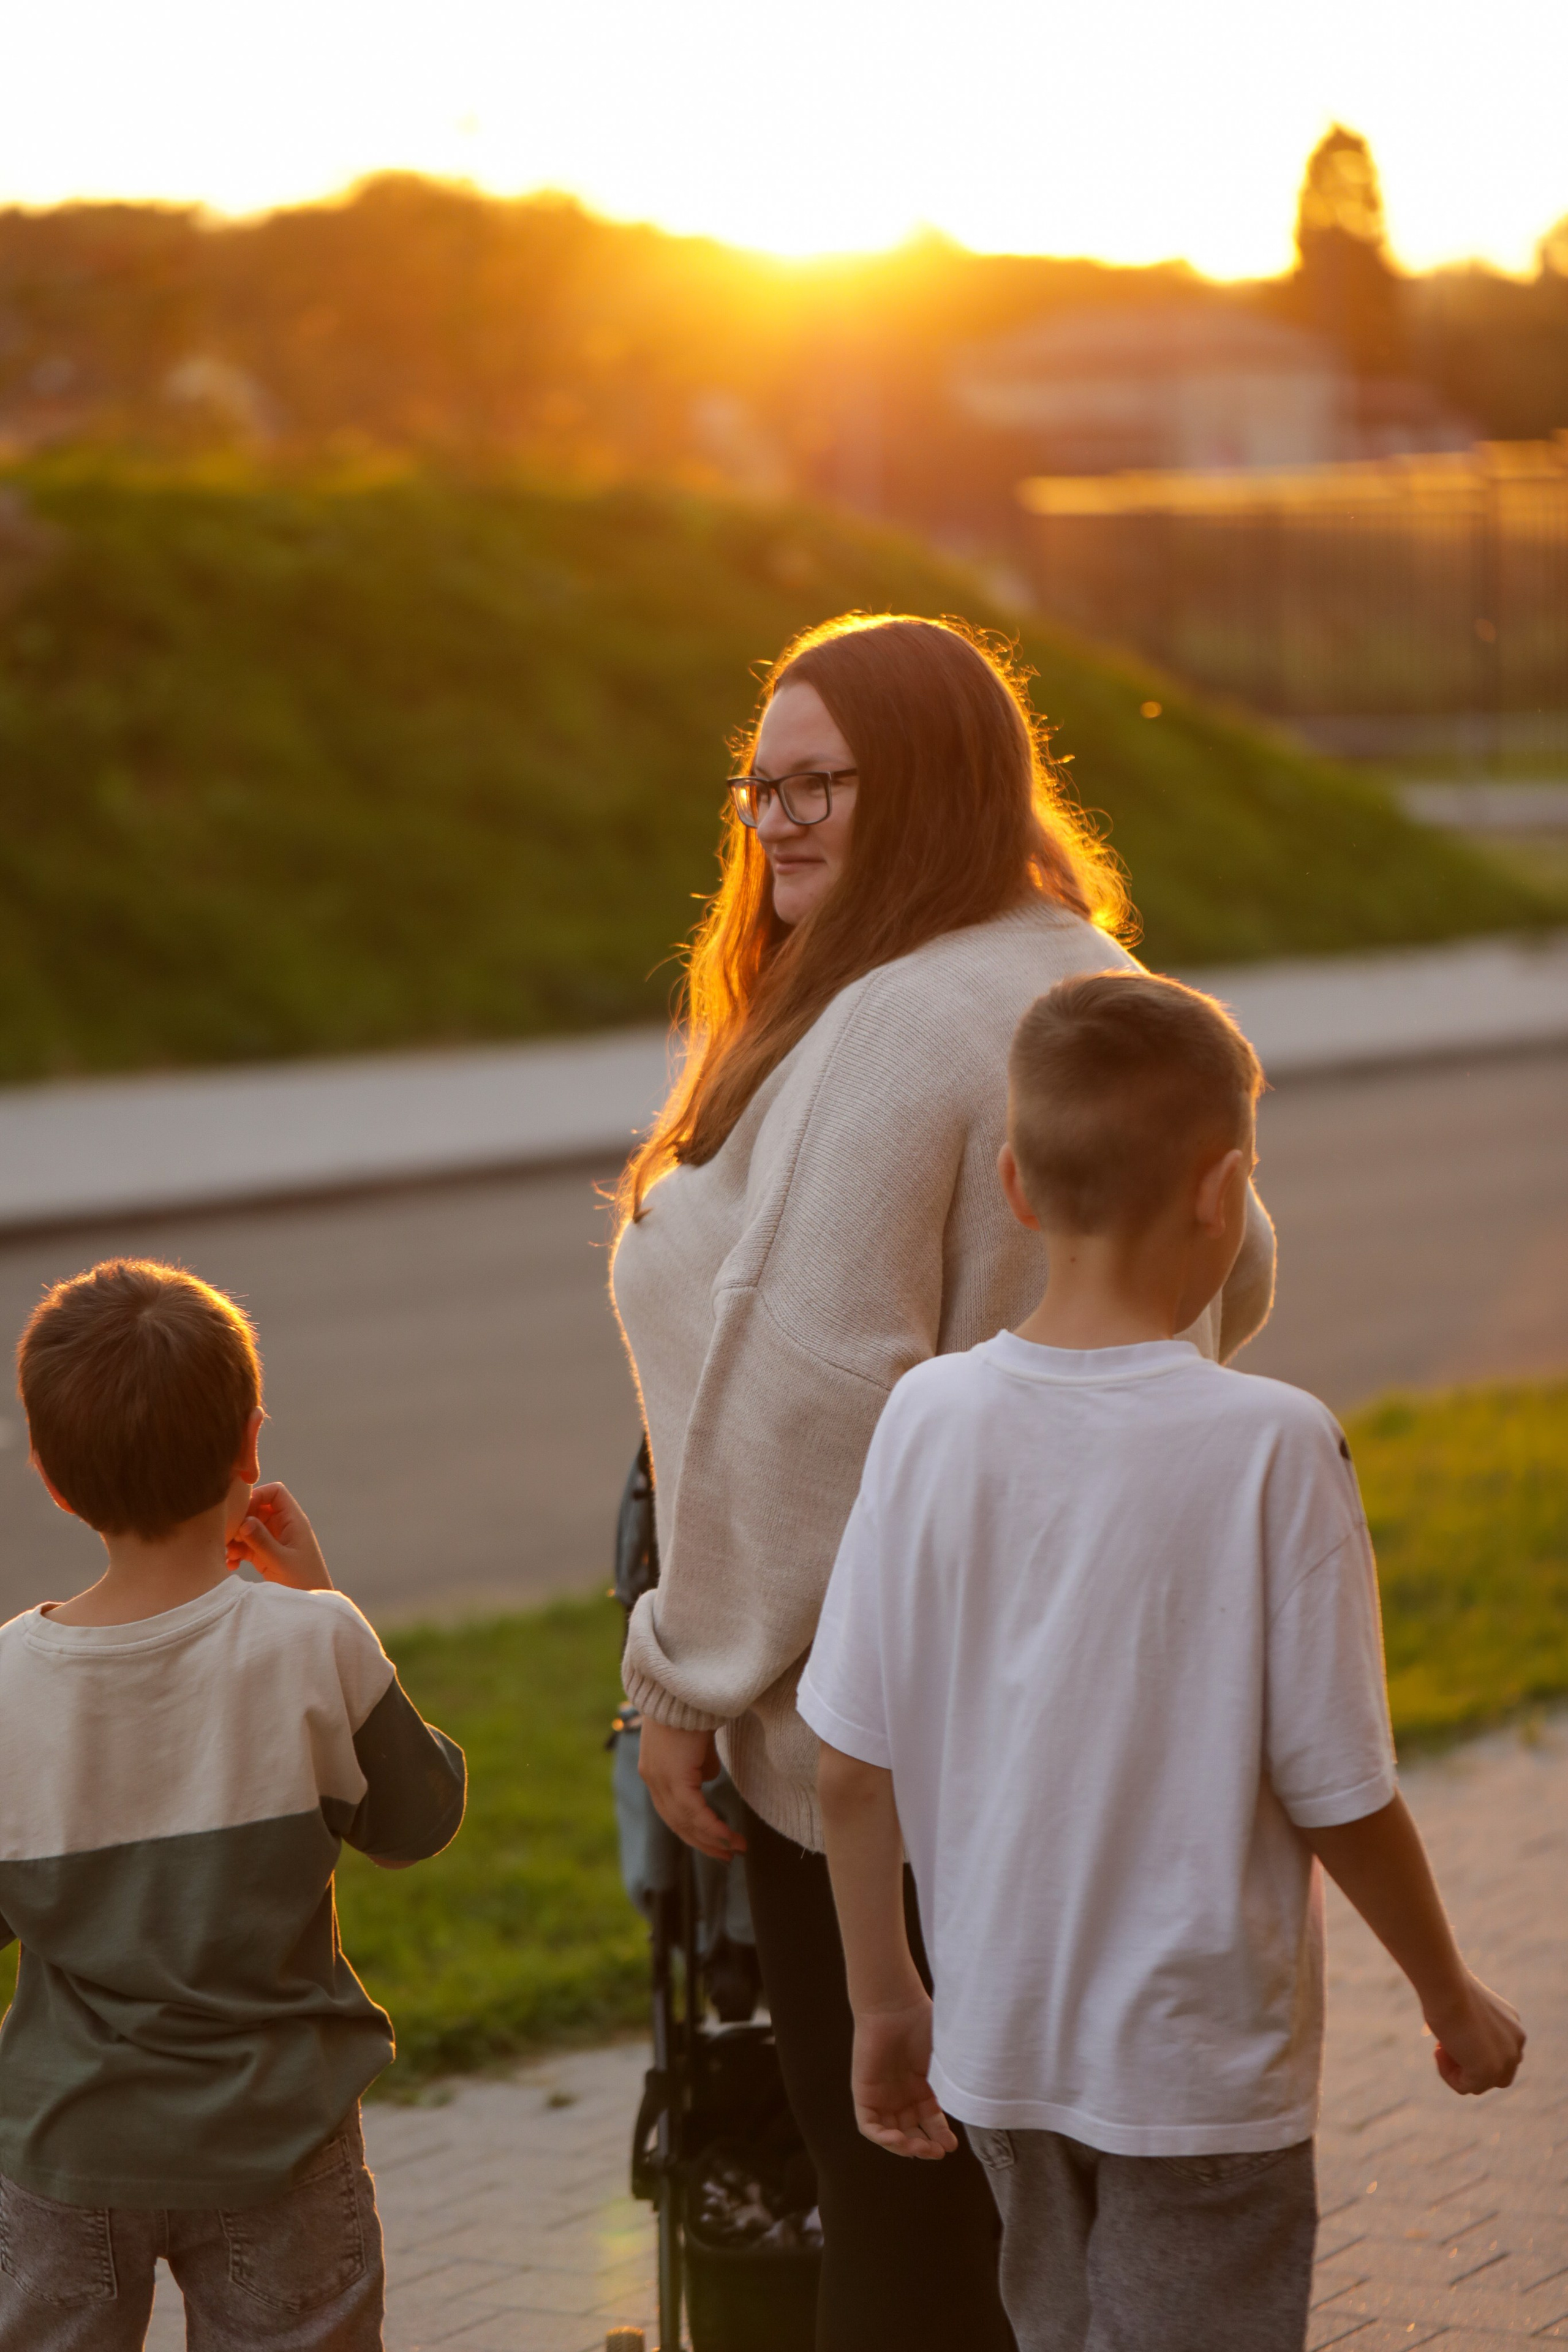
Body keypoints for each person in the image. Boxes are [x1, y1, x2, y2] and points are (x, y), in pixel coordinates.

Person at [611, 613, 1278, 2346]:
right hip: (1102, 1714)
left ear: (932, 782)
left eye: (824, 781)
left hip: (883, 1752)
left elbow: (808, 1399)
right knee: (1038, 2242)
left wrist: (678, 1672)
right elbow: (1238, 1266)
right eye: (761, 786)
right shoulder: (1085, 969)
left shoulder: (901, 1024)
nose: (780, 822)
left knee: (905, 2250)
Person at [802, 971, 1525, 2352]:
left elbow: (846, 1765)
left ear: (1013, 1185)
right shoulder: (1268, 1444)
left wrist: (885, 1999)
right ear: (1223, 1190)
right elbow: (1336, 1788)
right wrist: (1448, 1993)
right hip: (1196, 2068)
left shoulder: (925, 1420)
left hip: (999, 2049)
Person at [0, 1257, 466, 2352]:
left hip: (68, 2143)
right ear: (250, 1445)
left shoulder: (10, 1680)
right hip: (279, 2143)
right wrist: (318, 1593)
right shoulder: (314, 1642)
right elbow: (417, 1822)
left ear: (52, 1478)